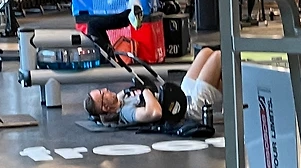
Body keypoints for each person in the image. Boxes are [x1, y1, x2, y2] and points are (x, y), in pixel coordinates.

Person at [85, 47, 222, 130]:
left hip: (181, 97)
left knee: (205, 53)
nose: (105, 90)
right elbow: (155, 113)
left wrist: (128, 92)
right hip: (187, 110)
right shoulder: (127, 112)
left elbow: (117, 101)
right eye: (102, 94)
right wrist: (146, 91)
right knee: (218, 57)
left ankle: (226, 93)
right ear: (105, 107)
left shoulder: (120, 101)